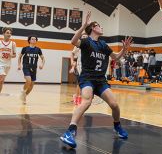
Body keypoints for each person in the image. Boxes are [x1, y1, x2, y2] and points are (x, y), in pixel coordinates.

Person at [60, 12, 133, 148]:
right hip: (87, 77)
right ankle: (70, 131)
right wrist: (83, 26)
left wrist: (124, 50)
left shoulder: (103, 45)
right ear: (93, 28)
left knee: (114, 105)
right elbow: (73, 41)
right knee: (87, 101)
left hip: (101, 80)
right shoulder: (87, 41)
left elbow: (116, 57)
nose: (101, 28)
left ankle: (117, 126)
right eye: (99, 26)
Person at [17, 35, 45, 104]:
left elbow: (43, 58)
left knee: (32, 85)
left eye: (35, 39)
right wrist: (19, 65)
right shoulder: (25, 48)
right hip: (26, 67)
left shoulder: (38, 49)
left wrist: (42, 64)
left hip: (34, 69)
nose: (34, 40)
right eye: (32, 39)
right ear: (29, 40)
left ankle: (24, 96)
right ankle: (23, 91)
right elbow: (19, 57)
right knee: (28, 80)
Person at [69, 33, 88, 105]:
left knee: (84, 84)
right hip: (79, 67)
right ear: (81, 38)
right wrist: (72, 63)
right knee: (79, 83)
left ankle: (78, 96)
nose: (85, 37)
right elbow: (72, 53)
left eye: (86, 36)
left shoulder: (90, 46)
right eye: (83, 36)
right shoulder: (78, 45)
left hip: (87, 67)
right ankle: (77, 97)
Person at [0, 27, 17, 93]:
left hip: (7, 64)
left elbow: (14, 55)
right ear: (3, 33)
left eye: (10, 33)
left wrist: (11, 55)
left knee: (1, 82)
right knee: (2, 78)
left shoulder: (13, 43)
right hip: (0, 63)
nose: (9, 34)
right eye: (7, 33)